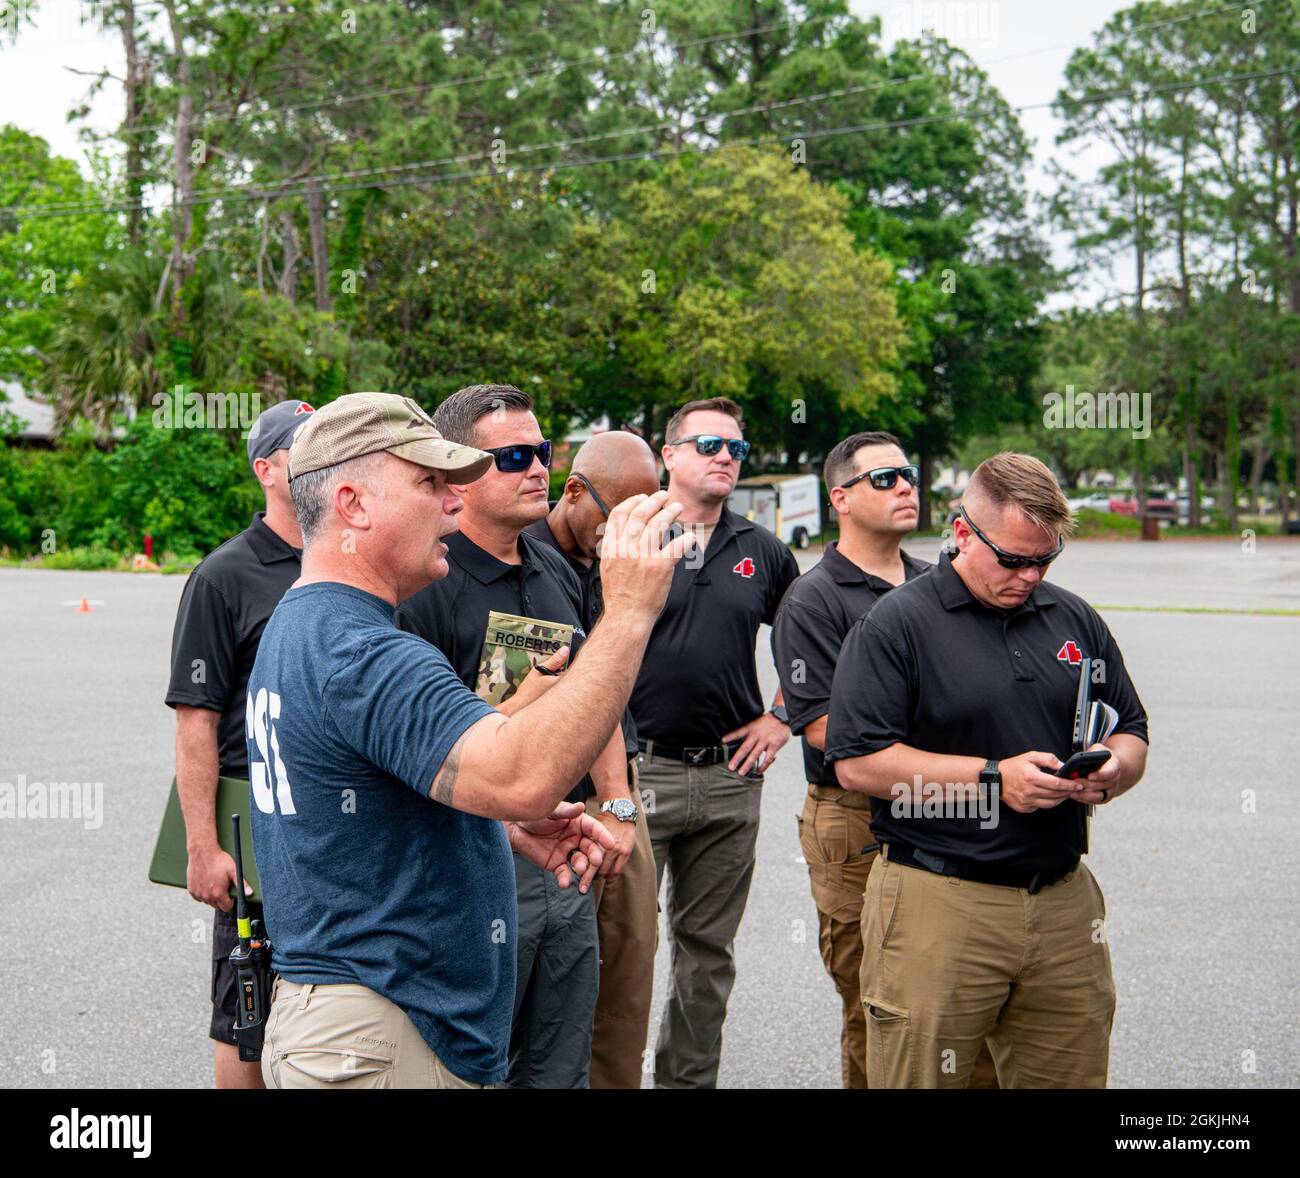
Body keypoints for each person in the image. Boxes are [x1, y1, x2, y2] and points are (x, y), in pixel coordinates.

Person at [250, 391, 696, 1089]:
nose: (454, 504)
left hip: (352, 1021)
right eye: (430, 483)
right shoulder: (363, 652)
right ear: (353, 504)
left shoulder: (303, 621)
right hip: (381, 1036)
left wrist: (500, 829)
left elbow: (376, 795)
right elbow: (521, 775)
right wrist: (631, 609)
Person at [824, 452, 1149, 1089]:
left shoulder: (1073, 617)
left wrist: (1111, 771)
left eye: (1045, 560)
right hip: (938, 901)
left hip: (1061, 900)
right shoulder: (896, 624)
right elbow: (858, 764)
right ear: (963, 532)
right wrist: (995, 779)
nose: (1030, 575)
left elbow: (1131, 730)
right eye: (1013, 559)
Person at [395, 386, 638, 1089]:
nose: (539, 469)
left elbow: (594, 690)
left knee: (562, 1062)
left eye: (543, 451)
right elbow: (421, 753)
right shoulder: (426, 584)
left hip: (563, 847)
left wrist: (615, 805)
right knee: (480, 1064)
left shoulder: (556, 566)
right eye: (514, 457)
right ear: (459, 471)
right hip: (476, 863)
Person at [630, 396, 801, 1088]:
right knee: (621, 948)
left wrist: (784, 717)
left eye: (736, 447)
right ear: (669, 456)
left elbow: (813, 642)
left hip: (732, 779)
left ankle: (686, 1083)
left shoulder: (761, 550)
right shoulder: (629, 534)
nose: (727, 456)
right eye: (709, 444)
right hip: (638, 774)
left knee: (707, 956)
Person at [163, 397, 314, 1089]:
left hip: (334, 820)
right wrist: (202, 846)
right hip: (251, 821)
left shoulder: (348, 559)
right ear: (266, 469)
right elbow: (195, 720)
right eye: (301, 448)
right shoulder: (225, 575)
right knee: (247, 1010)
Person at [771, 430, 928, 1088]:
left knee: (949, 998)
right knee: (876, 1004)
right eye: (885, 479)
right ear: (840, 497)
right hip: (855, 818)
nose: (906, 487)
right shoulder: (814, 598)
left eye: (909, 474)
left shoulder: (937, 583)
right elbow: (824, 728)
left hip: (943, 809)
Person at [523, 429, 662, 1089]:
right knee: (558, 1008)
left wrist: (624, 802)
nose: (630, 534)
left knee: (627, 983)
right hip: (559, 811)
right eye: (619, 518)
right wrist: (615, 804)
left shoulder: (616, 558)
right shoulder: (528, 561)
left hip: (616, 797)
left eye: (647, 517)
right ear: (573, 490)